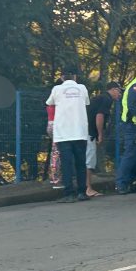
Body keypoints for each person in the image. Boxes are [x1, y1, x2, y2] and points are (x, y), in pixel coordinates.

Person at [46, 72, 90, 203]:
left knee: (66, 163)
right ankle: (82, 192)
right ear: (75, 77)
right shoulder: (82, 88)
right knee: (81, 163)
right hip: (80, 131)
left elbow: (50, 103)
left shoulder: (57, 89)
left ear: (61, 77)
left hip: (63, 133)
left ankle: (69, 193)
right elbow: (86, 102)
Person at [115, 70, 136, 194]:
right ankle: (121, 184)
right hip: (132, 125)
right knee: (130, 155)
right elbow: (131, 105)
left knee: (135, 156)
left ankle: (130, 182)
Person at [85, 81, 122, 197]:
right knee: (89, 161)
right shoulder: (107, 99)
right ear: (114, 90)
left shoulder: (99, 98)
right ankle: (88, 188)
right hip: (90, 133)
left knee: (85, 159)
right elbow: (100, 116)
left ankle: (85, 187)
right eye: (119, 92)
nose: (120, 95)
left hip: (82, 131)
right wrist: (100, 134)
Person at [46, 75, 64, 188]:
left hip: (51, 124)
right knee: (57, 154)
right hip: (57, 125)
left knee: (56, 152)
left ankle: (55, 178)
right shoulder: (58, 99)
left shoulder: (51, 99)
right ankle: (56, 179)